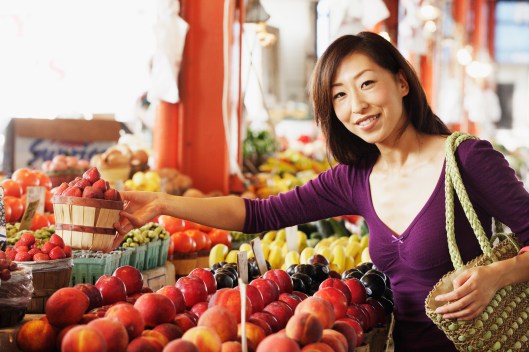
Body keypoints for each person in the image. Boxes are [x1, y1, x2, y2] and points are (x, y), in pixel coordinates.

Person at [114, 32, 529, 351]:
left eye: (367, 84)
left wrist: (497, 275)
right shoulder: (354, 177)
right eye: (340, 96)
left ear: (401, 83)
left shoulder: (467, 160)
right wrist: (164, 203)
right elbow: (258, 214)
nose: (357, 105)